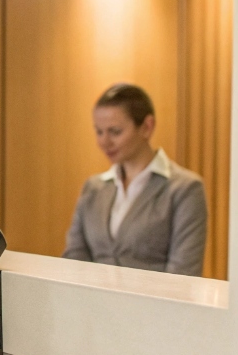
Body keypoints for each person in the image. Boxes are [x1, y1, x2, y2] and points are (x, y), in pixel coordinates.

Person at [62, 84, 208, 276]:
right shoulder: (93, 188)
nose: (104, 142)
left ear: (147, 127)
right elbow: (74, 261)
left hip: (153, 305)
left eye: (115, 131)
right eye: (99, 131)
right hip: (92, 304)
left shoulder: (185, 189)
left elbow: (183, 273)